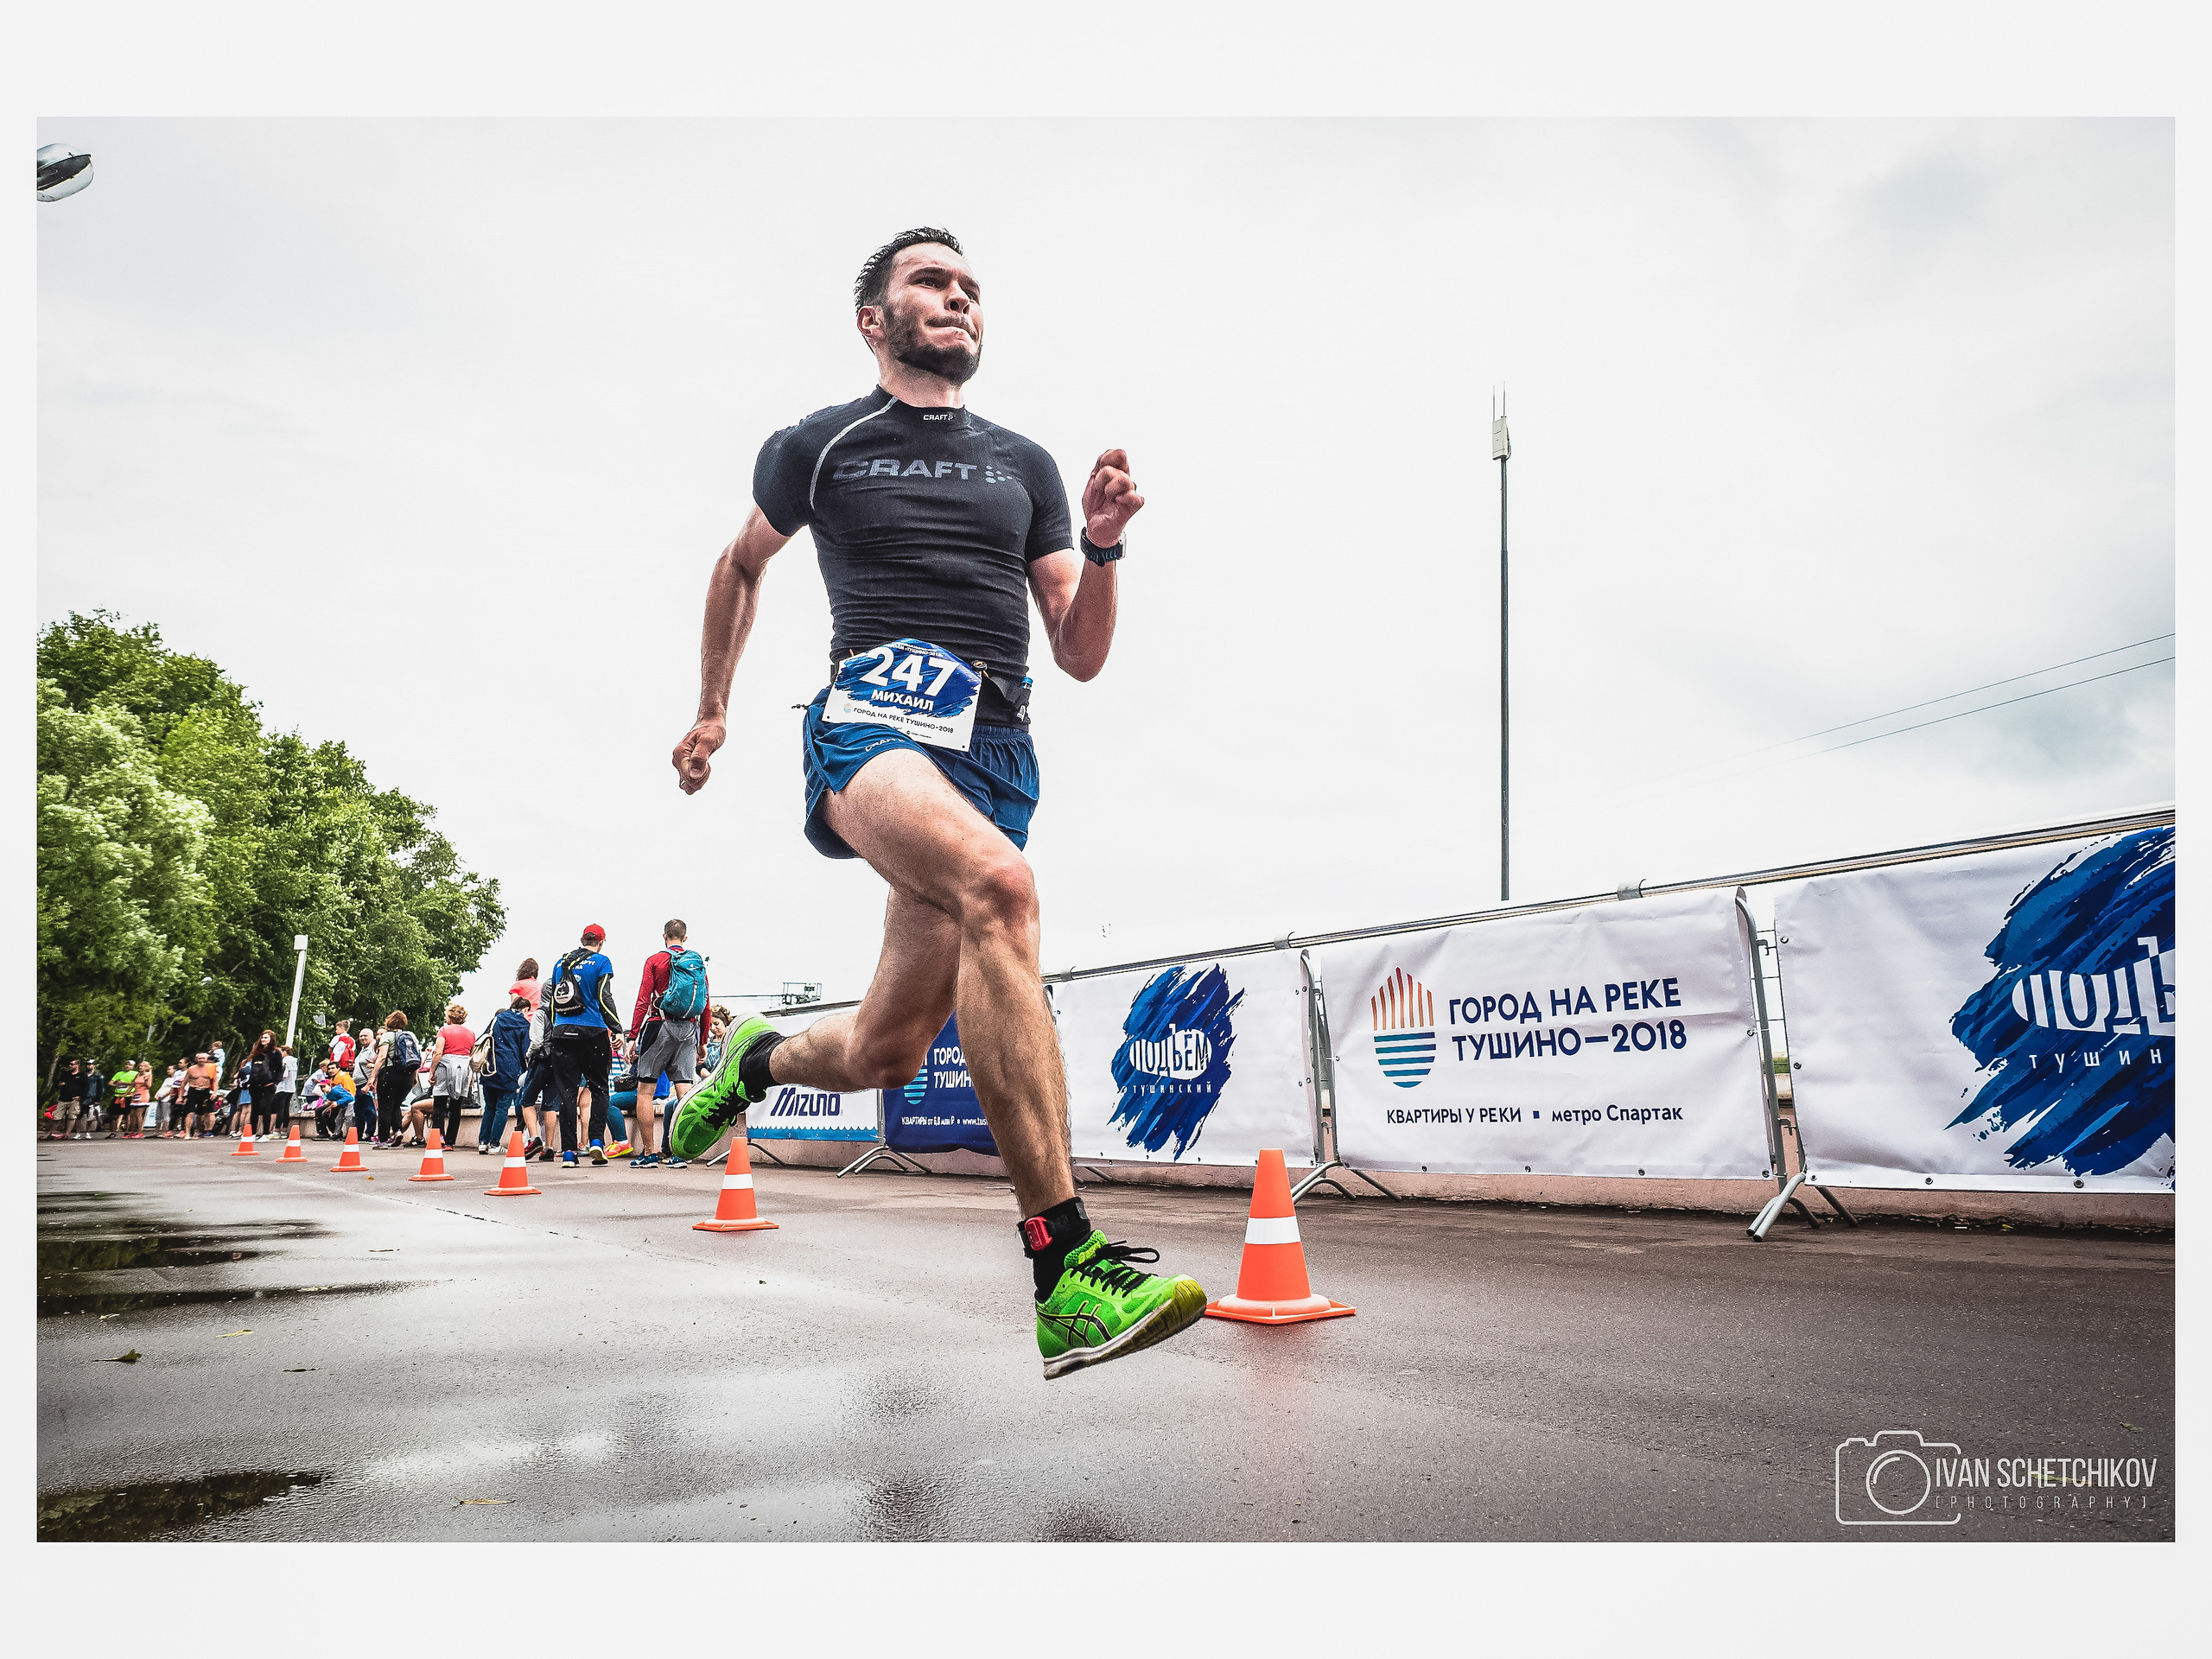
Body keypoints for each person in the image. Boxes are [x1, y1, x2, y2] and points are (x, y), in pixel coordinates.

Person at [664, 228, 1204, 1379]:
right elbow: (741, 563)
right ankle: (1067, 1271)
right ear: (876, 317)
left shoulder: (1026, 465)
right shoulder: (822, 444)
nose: (956, 298)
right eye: (930, 282)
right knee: (1002, 887)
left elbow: (1080, 651)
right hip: (872, 727)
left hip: (997, 753)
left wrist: (1103, 550)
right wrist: (714, 709)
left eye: (969, 287)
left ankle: (754, 1057)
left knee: (885, 1052)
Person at [624, 918, 710, 1169]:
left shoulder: (655, 960)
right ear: (685, 938)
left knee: (645, 1091)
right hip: (689, 1028)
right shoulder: (696, 963)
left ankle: (649, 1154)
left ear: (664, 936)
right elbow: (705, 1004)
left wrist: (633, 1036)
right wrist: (702, 1041)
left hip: (658, 1025)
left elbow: (643, 998)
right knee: (684, 1090)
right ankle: (680, 1153)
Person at [544, 925, 621, 1169]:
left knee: (567, 1093)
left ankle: (568, 1152)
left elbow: (554, 1004)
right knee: (598, 1087)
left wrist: (557, 1028)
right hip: (593, 1032)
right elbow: (603, 997)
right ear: (601, 941)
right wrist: (616, 1027)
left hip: (562, 1033)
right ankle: (596, 1140)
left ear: (582, 939)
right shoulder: (601, 961)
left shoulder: (560, 963)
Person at [478, 994, 531, 1153]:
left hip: (490, 1068)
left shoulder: (497, 1019)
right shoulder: (523, 1024)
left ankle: (483, 1142)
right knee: (502, 1108)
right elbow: (525, 1052)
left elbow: (484, 1038)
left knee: (490, 1106)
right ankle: (495, 1144)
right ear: (525, 1009)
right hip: (509, 1070)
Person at [366, 1012, 421, 1149]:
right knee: (396, 1104)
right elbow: (416, 1057)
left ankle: (383, 1140)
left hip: (390, 1074)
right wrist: (414, 1077)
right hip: (407, 1076)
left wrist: (372, 1078)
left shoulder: (387, 1036)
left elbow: (382, 1057)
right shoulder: (411, 1036)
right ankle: (397, 1131)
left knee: (385, 1106)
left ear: (389, 1022)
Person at [429, 1003, 475, 1147]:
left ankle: (439, 1139)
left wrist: (432, 1071)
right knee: (456, 1106)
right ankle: (450, 1142)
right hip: (463, 1069)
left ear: (449, 1017)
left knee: (439, 1105)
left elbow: (438, 1052)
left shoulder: (443, 1031)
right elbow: (472, 1055)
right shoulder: (471, 1033)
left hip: (445, 1067)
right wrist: (471, 1076)